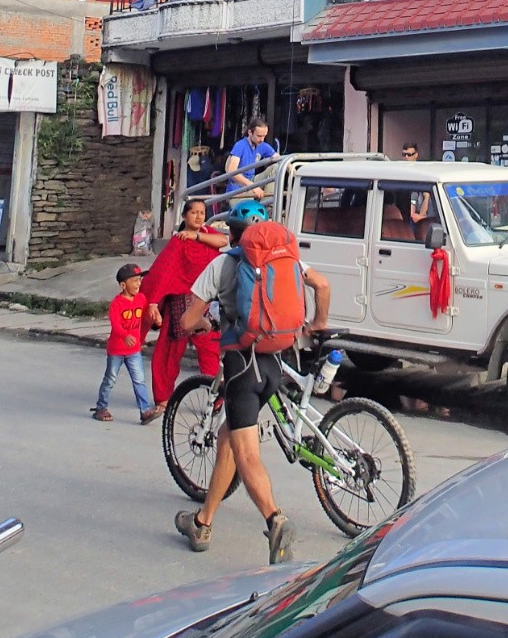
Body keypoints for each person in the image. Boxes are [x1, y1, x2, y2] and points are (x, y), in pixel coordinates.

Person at [173, 200, 331, 566]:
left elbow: (189, 319)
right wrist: (317, 324)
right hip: (276, 362)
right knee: (229, 437)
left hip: (243, 367)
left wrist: (202, 324)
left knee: (246, 453)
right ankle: (202, 523)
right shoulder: (283, 258)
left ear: (232, 233)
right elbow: (322, 285)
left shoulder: (223, 263)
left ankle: (275, 521)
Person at [140, 198, 227, 406]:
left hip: (205, 303)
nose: (198, 216)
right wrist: (153, 302)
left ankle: (218, 400)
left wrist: (196, 236)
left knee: (211, 352)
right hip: (180, 303)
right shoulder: (179, 240)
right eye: (194, 212)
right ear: (184, 216)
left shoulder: (208, 236)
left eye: (202, 212)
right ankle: (163, 398)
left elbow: (224, 242)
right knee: (169, 352)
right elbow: (163, 272)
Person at [91, 264, 163, 424]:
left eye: (140, 280)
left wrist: (155, 318)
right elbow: (115, 325)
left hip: (134, 350)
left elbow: (145, 318)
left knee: (139, 380)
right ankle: (100, 407)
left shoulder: (141, 299)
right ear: (123, 285)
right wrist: (124, 335)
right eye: (135, 281)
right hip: (116, 350)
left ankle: (145, 411)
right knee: (110, 379)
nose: (139, 284)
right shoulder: (116, 304)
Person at [224, 118, 276, 199]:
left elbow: (279, 158)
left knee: (276, 167)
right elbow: (231, 170)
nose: (262, 139)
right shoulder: (240, 145)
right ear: (250, 132)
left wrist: (293, 171)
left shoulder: (261, 144)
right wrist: (252, 186)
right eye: (259, 136)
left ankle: (268, 206)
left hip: (252, 181)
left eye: (264, 136)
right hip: (237, 188)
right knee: (249, 207)